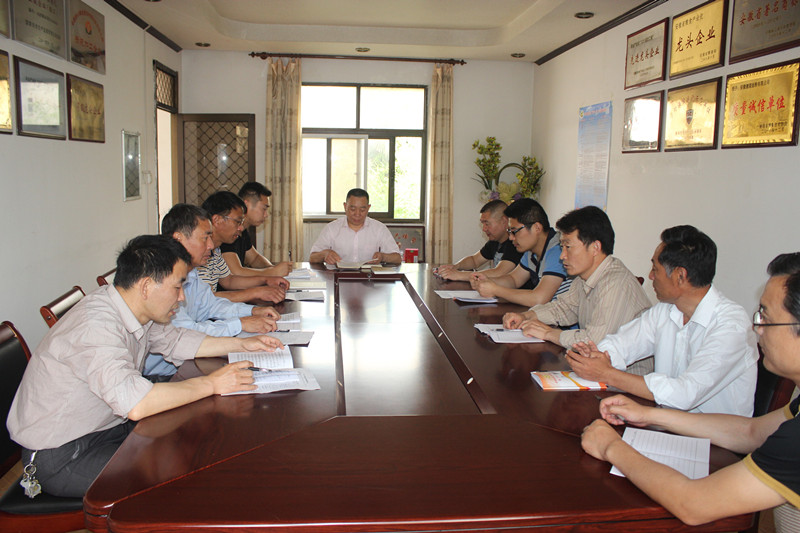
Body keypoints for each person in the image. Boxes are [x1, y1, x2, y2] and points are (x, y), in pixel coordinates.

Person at [6, 235, 284, 498]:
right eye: (177, 287)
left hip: (106, 427)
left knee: (195, 435)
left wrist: (242, 344)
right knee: (180, 475)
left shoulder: (134, 307)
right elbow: (136, 403)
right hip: (62, 454)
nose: (182, 298)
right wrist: (212, 383)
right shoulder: (96, 326)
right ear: (146, 286)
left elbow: (177, 341)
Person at [581, 252, 800, 527]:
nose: (757, 329)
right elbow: (751, 432)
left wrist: (611, 446)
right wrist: (650, 415)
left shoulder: (728, 319)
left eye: (765, 317)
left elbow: (693, 503)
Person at [567, 226, 757, 416]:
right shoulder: (666, 310)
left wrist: (607, 373)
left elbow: (685, 394)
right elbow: (622, 343)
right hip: (664, 421)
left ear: (680, 276)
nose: (650, 276)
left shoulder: (731, 326)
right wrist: (597, 356)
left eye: (655, 269)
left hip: (710, 432)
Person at [143, 204, 283, 378]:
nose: (211, 245)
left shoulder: (191, 272)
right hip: (164, 376)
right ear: (178, 239)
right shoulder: (162, 280)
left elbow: (212, 305)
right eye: (205, 238)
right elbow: (188, 332)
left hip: (187, 362)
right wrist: (240, 324)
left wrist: (252, 311)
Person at [503, 205, 650, 347]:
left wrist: (548, 333)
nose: (562, 256)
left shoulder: (615, 283)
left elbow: (595, 342)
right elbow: (562, 309)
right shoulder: (583, 279)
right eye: (562, 247)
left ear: (595, 248)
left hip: (618, 364)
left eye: (568, 247)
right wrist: (526, 316)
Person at [470, 198, 571, 305]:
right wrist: (486, 281)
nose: (511, 238)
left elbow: (539, 298)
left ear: (537, 228)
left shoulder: (558, 250)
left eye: (514, 231)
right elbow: (513, 279)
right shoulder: (531, 251)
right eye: (509, 232)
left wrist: (496, 290)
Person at [196, 191, 288, 303]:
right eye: (237, 222)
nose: (240, 228)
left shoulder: (216, 250)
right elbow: (206, 300)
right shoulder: (197, 252)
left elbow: (229, 280)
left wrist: (266, 280)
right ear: (217, 220)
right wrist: (256, 292)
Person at [435, 200, 522, 282]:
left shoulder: (515, 243)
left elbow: (499, 272)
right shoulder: (494, 241)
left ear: (504, 221)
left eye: (487, 223)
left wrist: (459, 275)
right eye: (482, 224)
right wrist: (455, 267)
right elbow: (474, 260)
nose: (484, 229)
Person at [309, 188, 401, 265]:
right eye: (353, 209)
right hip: (337, 277)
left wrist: (383, 257)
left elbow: (397, 258)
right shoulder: (331, 228)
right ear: (345, 206)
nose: (357, 214)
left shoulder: (379, 228)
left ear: (368, 208)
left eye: (362, 210)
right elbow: (312, 257)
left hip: (369, 278)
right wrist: (325, 254)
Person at [220, 182, 293, 278]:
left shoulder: (243, 231)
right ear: (246, 205)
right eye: (264, 209)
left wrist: (272, 268)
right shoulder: (228, 231)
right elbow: (236, 272)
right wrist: (272, 272)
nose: (266, 215)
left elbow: (255, 259)